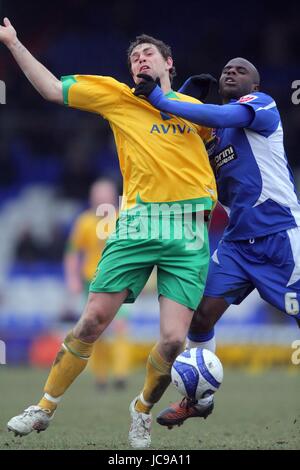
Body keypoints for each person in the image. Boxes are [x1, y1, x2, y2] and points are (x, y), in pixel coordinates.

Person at [1, 18, 217, 449]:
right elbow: (49, 89)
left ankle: (140, 411)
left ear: (168, 63)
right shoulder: (117, 96)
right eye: (134, 56)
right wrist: (13, 42)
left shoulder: (196, 112)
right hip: (139, 221)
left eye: (148, 54)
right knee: (93, 320)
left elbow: (227, 147)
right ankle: (44, 407)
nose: (139, 59)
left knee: (174, 339)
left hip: (191, 226)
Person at [134, 57, 300, 427]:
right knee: (200, 316)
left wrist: (162, 99)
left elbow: (223, 116)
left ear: (255, 86)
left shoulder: (262, 106)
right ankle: (198, 398)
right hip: (237, 245)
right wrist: (182, 99)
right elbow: (183, 144)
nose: (231, 71)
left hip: (280, 237)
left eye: (241, 70)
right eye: (227, 69)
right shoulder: (213, 137)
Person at [64, 179, 131, 390]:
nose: (101, 198)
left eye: (105, 194)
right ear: (92, 197)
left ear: (113, 197)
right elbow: (72, 252)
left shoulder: (124, 219)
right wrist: (72, 278)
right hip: (91, 283)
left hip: (119, 281)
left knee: (120, 327)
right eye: (98, 194)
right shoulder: (84, 222)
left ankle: (120, 375)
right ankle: (100, 377)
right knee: (95, 330)